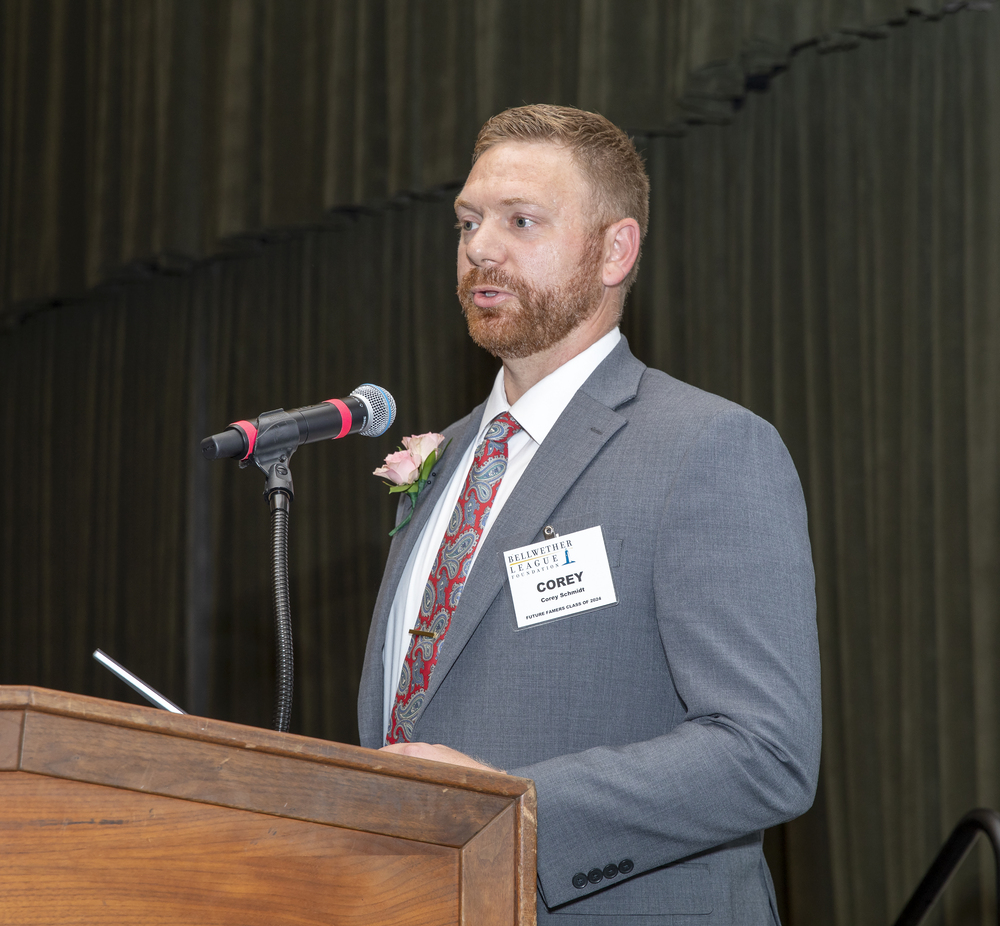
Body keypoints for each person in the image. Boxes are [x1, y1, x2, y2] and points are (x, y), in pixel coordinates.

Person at [358, 104, 821, 924]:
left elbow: (768, 753)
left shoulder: (706, 447)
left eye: (521, 220)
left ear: (616, 250)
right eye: (468, 221)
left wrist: (510, 806)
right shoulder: (449, 460)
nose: (480, 248)